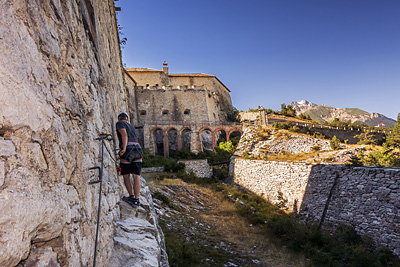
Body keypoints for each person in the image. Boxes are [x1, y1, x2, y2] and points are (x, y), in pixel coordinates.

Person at [116, 111, 142, 207]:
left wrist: (123, 149)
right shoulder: (131, 126)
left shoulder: (119, 123)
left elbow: (124, 135)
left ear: (119, 118)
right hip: (138, 150)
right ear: (127, 119)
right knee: (136, 175)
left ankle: (131, 196)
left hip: (128, 149)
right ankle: (136, 199)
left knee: (126, 175)